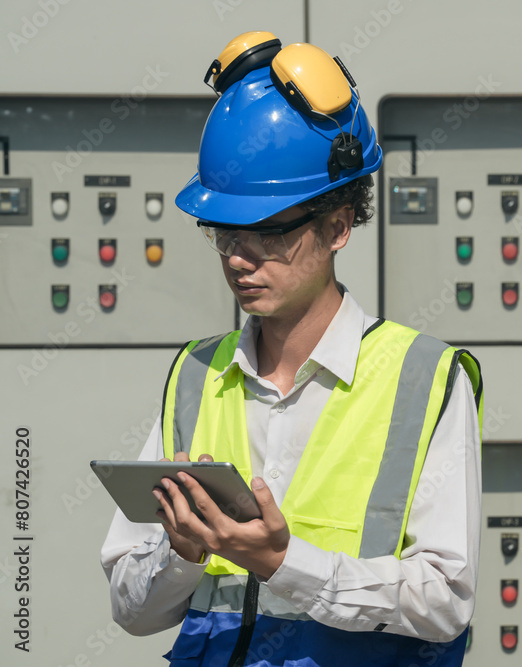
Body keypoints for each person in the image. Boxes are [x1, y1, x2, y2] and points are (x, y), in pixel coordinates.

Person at [100, 32, 483, 667]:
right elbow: (131, 609)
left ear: (339, 226)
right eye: (222, 232)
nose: (237, 258)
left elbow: (445, 602)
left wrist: (283, 563)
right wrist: (184, 552)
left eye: (266, 233)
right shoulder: (196, 375)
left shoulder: (425, 380)